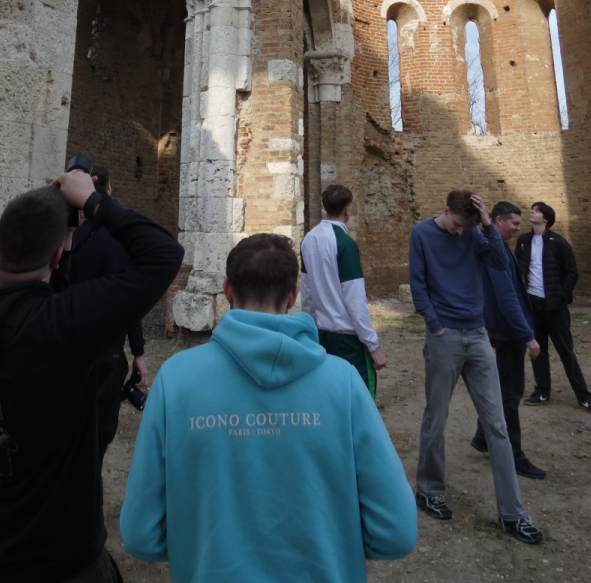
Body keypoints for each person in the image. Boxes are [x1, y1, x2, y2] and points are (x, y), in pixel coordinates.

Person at [0, 172, 183, 583]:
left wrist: (59, 236)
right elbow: (163, 253)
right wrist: (94, 202)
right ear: (57, 258)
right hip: (55, 561)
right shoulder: (61, 329)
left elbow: (33, 294)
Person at [120, 232, 417, 583]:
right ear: (293, 295)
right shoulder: (344, 382)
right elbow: (396, 533)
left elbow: (140, 535)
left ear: (228, 291)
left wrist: (197, 545)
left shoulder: (174, 380)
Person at [408, 188, 542, 545]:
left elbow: (501, 263)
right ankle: (429, 490)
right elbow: (418, 284)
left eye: (465, 226)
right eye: (456, 224)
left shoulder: (474, 233)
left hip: (478, 335)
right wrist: (435, 324)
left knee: (497, 424)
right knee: (437, 418)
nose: (458, 231)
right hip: (445, 336)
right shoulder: (422, 234)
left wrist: (484, 224)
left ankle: (513, 514)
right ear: (445, 209)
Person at [66, 167, 149, 456]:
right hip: (109, 350)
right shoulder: (121, 243)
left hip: (71, 342)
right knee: (100, 432)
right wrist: (138, 352)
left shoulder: (70, 239)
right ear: (109, 192)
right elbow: (131, 303)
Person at [470, 201, 545, 479]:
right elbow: (507, 296)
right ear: (498, 220)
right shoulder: (495, 249)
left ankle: (483, 436)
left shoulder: (495, 246)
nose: (517, 228)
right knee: (510, 395)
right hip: (508, 331)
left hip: (501, 328)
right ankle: (513, 455)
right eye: (513, 223)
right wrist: (527, 335)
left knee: (501, 389)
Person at [514, 202, 591, 414]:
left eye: (537, 210)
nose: (532, 212)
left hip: (555, 307)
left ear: (546, 219)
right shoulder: (523, 241)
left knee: (566, 351)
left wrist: (560, 298)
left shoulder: (559, 243)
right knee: (537, 350)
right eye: (533, 209)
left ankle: (584, 397)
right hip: (533, 305)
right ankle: (542, 391)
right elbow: (518, 269)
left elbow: (571, 273)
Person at [300, 183, 387, 397]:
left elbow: (307, 292)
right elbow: (355, 299)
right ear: (348, 209)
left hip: (322, 333)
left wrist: (311, 330)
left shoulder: (308, 240)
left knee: (330, 393)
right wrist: (373, 346)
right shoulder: (345, 244)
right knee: (359, 396)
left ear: (324, 207)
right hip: (347, 338)